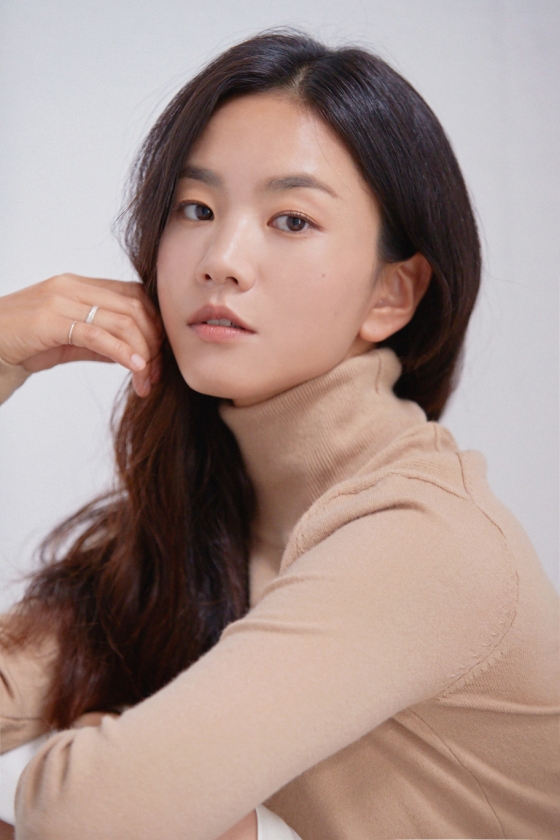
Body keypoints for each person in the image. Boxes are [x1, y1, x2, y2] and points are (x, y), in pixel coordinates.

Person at [0, 29, 558, 840]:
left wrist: (101, 737)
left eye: (291, 220)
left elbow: (83, 815)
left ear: (392, 295)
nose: (222, 258)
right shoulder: (208, 522)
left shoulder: (421, 540)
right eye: (196, 209)